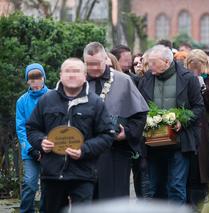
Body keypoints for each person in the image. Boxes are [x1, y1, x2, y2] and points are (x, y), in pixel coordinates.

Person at [26, 58, 114, 213]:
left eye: (76, 71)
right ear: (60, 75)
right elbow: (32, 129)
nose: (71, 75)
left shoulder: (95, 103)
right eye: (67, 71)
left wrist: (84, 150)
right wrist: (41, 142)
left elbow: (107, 135)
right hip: (52, 175)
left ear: (85, 75)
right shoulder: (46, 100)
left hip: (83, 174)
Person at [138, 45, 204, 204]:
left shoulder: (188, 78)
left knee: (176, 186)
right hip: (153, 144)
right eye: (149, 63)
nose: (150, 66)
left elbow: (199, 107)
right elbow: (139, 107)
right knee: (155, 188)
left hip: (179, 143)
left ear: (167, 62)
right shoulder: (146, 79)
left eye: (154, 63)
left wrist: (182, 121)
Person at [83, 42, 149, 199]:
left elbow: (140, 115)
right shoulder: (77, 82)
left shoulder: (123, 81)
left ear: (105, 59)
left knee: (114, 200)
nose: (93, 68)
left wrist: (127, 133)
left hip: (115, 153)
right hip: (85, 154)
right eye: (89, 64)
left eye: (97, 63)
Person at [185, 49, 209, 211]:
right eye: (191, 66)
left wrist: (204, 89)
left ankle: (199, 203)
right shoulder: (184, 79)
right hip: (187, 128)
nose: (194, 70)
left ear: (204, 65)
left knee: (203, 171)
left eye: (197, 67)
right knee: (189, 170)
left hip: (205, 131)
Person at [16, 63, 48, 213]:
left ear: (43, 78)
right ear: (27, 80)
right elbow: (20, 128)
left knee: (49, 185)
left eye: (38, 77)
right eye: (31, 78)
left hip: (50, 149)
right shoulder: (22, 101)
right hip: (30, 152)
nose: (35, 81)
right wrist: (30, 150)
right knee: (30, 183)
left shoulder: (52, 96)